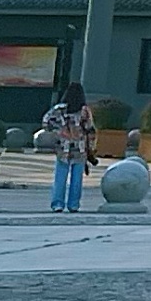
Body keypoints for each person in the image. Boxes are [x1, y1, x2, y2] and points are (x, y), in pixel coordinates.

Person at [40, 82, 95, 212]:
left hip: (63, 147)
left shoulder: (59, 109)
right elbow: (90, 129)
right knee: (77, 179)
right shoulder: (84, 110)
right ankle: (73, 204)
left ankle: (57, 204)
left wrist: (59, 130)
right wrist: (91, 147)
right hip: (80, 148)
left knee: (60, 177)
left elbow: (45, 122)